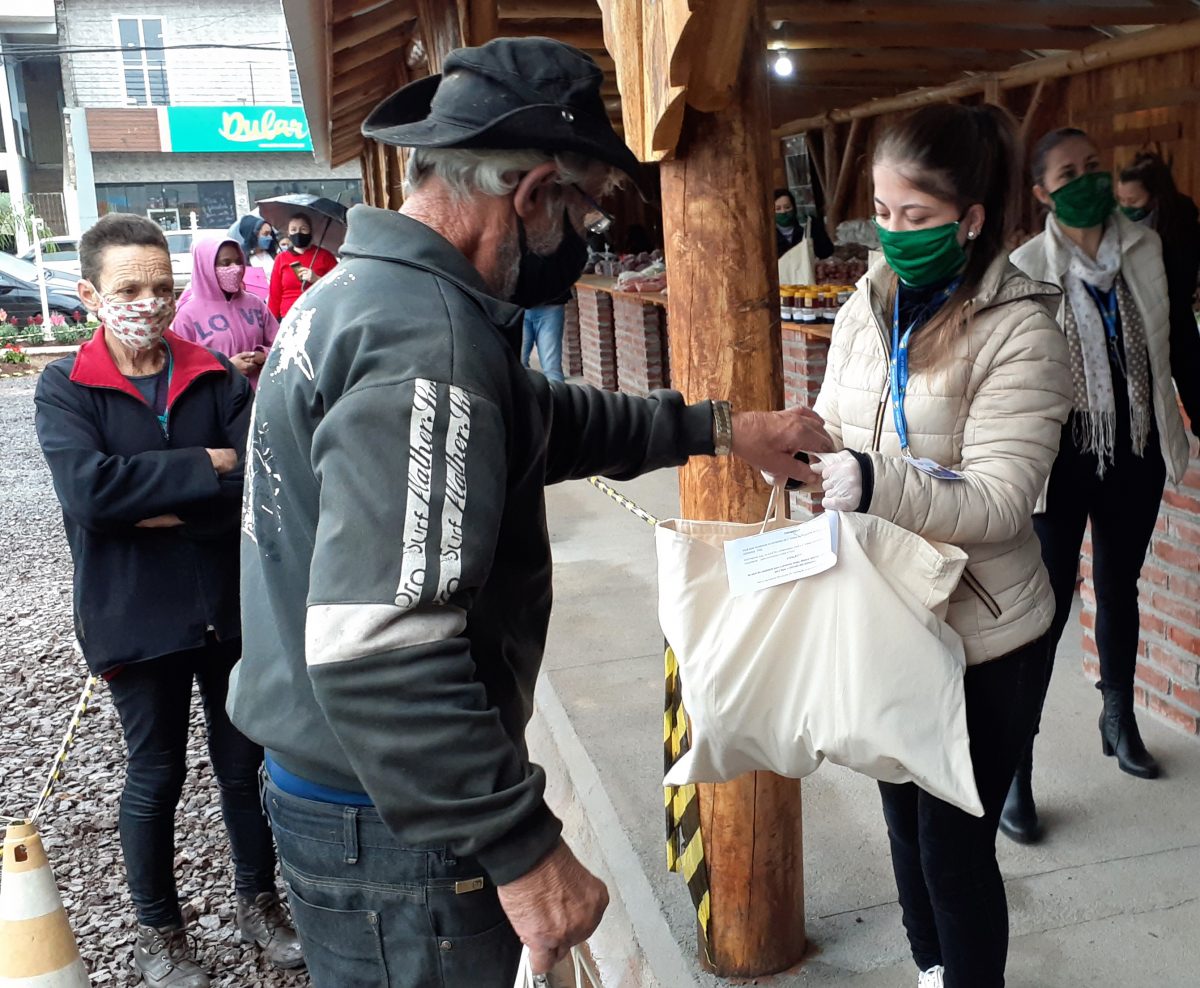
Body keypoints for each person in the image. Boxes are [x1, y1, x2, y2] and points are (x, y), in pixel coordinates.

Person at [227, 37, 831, 988]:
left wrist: (722, 427)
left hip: (350, 792)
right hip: (398, 820)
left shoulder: (364, 294)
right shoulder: (428, 343)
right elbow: (384, 649)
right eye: (583, 212)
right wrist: (524, 849)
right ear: (536, 192)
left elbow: (541, 420)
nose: (583, 237)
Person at [809, 104, 1072, 988]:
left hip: (983, 634)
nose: (892, 235)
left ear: (970, 218)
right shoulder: (865, 303)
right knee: (903, 824)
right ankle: (933, 971)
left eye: (914, 217)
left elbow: (1002, 498)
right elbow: (835, 427)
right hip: (880, 610)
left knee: (955, 848)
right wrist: (802, 466)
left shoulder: (1022, 326)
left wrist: (872, 481)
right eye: (881, 213)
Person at [32, 214, 302, 987]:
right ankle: (160, 930)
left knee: (242, 761)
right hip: (134, 614)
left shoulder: (215, 373)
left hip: (226, 603)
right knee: (156, 773)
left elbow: (258, 479)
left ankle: (259, 901)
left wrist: (154, 494)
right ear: (90, 295)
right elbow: (88, 494)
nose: (148, 302)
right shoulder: (65, 385)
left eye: (161, 286)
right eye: (128, 289)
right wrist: (201, 468)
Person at [1004, 129, 1198, 843]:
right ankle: (1014, 766)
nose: (1085, 180)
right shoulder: (1025, 269)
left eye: (1093, 168)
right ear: (1041, 192)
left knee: (1120, 588)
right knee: (1045, 615)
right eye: (1067, 173)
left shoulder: (1146, 247)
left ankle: (1118, 719)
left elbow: (1179, 341)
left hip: (1136, 450)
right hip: (1061, 463)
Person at [1117, 151, 1200, 429]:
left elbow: (1180, 281)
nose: (1126, 207)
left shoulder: (1180, 225)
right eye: (1122, 201)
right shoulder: (1119, 225)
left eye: (1134, 201)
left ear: (1155, 197)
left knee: (1194, 385)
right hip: (1134, 323)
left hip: (1173, 317)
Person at [172, 237, 279, 388]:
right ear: (206, 267)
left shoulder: (256, 304)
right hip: (218, 402)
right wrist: (227, 367)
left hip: (259, 396)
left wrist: (263, 355)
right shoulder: (187, 315)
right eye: (226, 263)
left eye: (238, 261)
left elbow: (281, 343)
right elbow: (180, 368)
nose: (235, 268)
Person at [266, 212, 336, 321]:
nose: (298, 233)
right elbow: (274, 295)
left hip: (318, 315)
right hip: (288, 317)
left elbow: (337, 287)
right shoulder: (281, 258)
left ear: (310, 231)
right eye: (293, 230)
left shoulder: (325, 256)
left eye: (303, 229)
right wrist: (271, 323)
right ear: (288, 233)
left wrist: (317, 279)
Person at [774, 187, 833, 259]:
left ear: (794, 208)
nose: (783, 211)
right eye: (778, 209)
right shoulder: (770, 237)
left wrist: (818, 231)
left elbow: (826, 252)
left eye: (787, 207)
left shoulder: (806, 229)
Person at [521, 293, 568, 382]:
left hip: (551, 304)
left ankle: (557, 395)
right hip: (517, 306)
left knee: (551, 366)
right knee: (518, 365)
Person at [232, 214, 277, 301]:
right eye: (265, 234)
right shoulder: (241, 258)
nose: (269, 238)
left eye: (270, 234)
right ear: (254, 234)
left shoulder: (274, 254)